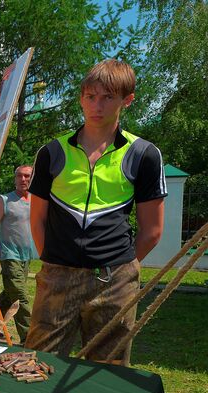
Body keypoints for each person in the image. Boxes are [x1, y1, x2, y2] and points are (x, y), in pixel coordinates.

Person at [25, 59, 166, 366]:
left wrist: (118, 269)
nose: (96, 106)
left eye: (107, 97)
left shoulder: (144, 154)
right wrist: (53, 261)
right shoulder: (52, 152)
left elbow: (152, 230)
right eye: (90, 96)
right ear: (81, 98)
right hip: (56, 278)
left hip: (116, 282)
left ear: (127, 100)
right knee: (35, 366)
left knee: (107, 377)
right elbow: (36, 218)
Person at [0, 165, 38, 342]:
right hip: (9, 254)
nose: (23, 179)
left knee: (9, 293)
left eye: (27, 176)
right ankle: (29, 339)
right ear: (15, 179)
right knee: (21, 297)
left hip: (26, 257)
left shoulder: (37, 200)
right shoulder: (5, 199)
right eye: (19, 176)